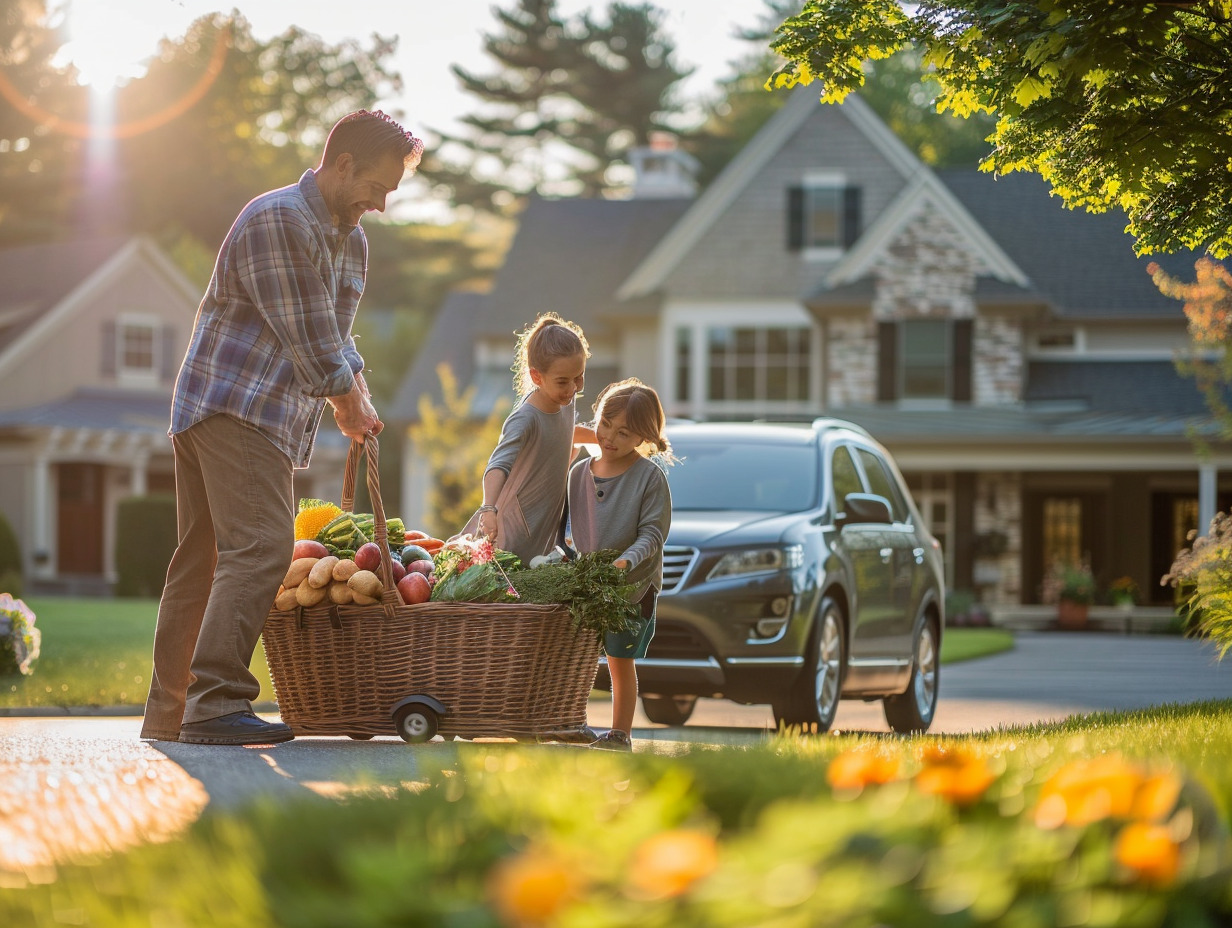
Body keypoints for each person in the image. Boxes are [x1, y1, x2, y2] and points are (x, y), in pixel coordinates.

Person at [140, 110, 424, 746]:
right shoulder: (279, 220)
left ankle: (171, 717)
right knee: (262, 547)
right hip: (235, 406)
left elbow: (338, 336)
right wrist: (347, 405)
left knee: (205, 559)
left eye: (390, 194)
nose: (379, 204)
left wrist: (362, 402)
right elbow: (312, 338)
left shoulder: (348, 239)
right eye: (376, 187)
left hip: (251, 411)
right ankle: (215, 705)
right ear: (342, 162)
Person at [566, 378, 674, 751]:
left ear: (642, 437)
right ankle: (570, 721)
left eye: (623, 432)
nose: (609, 436)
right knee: (577, 652)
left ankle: (619, 735)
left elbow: (653, 534)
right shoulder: (579, 472)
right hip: (590, 581)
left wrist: (627, 561)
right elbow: (568, 526)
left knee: (618, 659)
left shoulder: (649, 478)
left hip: (633, 584)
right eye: (604, 424)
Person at [470, 312, 596, 564]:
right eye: (563, 381)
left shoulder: (564, 402)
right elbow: (497, 465)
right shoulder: (526, 418)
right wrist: (488, 509)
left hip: (544, 521)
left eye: (579, 377)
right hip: (510, 530)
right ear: (537, 376)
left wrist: (604, 439)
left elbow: (565, 435)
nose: (573, 389)